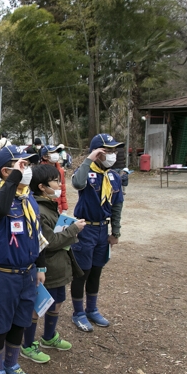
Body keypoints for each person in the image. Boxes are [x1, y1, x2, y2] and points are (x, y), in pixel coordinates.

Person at [0, 145, 45, 374]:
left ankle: (11, 363)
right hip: (4, 275)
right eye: (21, 165)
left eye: (27, 165)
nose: (26, 169)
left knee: (20, 323)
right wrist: (14, 179)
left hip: (27, 274)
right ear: (5, 171)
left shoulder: (28, 197)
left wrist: (40, 265)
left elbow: (36, 233)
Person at [20, 165, 85, 364]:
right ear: (41, 186)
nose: (60, 184)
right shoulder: (38, 209)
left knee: (56, 302)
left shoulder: (49, 204)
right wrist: (73, 229)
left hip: (59, 267)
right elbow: (49, 242)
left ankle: (49, 337)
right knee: (38, 305)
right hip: (46, 269)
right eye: (55, 181)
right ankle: (27, 345)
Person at [70, 133, 124, 332]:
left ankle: (92, 309)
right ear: (97, 152)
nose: (112, 154)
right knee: (81, 272)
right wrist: (89, 159)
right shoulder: (86, 171)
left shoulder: (114, 176)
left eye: (113, 150)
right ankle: (78, 313)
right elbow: (77, 183)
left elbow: (117, 205)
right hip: (86, 229)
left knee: (96, 271)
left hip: (103, 229)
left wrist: (115, 232)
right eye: (107, 151)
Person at [39, 145, 68, 213]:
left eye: (56, 152)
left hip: (58, 207)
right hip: (45, 207)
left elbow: (63, 189)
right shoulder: (40, 171)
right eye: (52, 152)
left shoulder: (60, 170)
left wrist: (64, 207)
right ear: (45, 156)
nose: (56, 154)